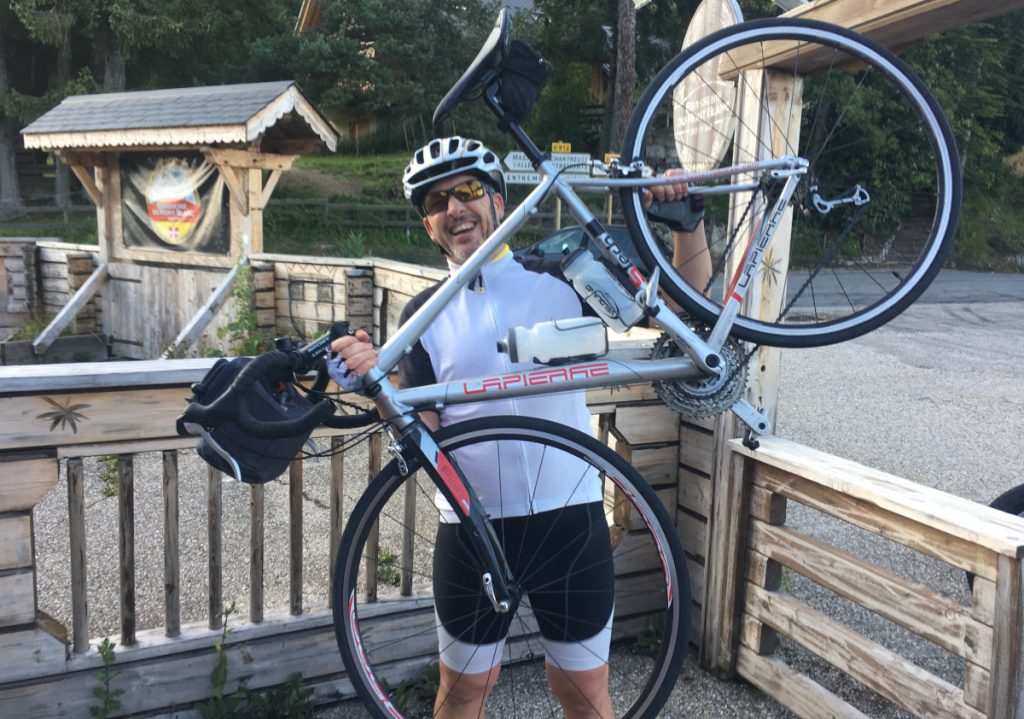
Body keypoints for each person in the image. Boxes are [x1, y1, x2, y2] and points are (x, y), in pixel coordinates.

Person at [331, 136, 708, 719]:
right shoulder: (420, 316)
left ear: (499, 203)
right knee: (460, 702)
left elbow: (686, 306)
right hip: (470, 531)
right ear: (429, 226)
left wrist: (687, 221)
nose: (455, 207)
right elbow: (423, 434)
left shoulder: (564, 275)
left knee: (584, 701)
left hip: (570, 523)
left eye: (468, 191)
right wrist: (374, 381)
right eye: (436, 201)